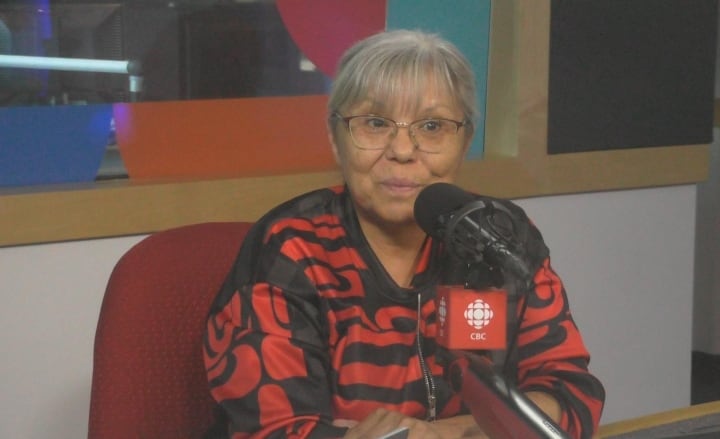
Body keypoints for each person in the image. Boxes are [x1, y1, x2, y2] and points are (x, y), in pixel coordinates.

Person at [203, 29, 605, 438]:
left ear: (464, 141)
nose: (402, 149)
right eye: (375, 123)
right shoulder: (292, 248)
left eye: (431, 126)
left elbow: (570, 394)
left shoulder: (499, 235)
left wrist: (444, 434)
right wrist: (497, 427)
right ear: (335, 137)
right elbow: (277, 430)